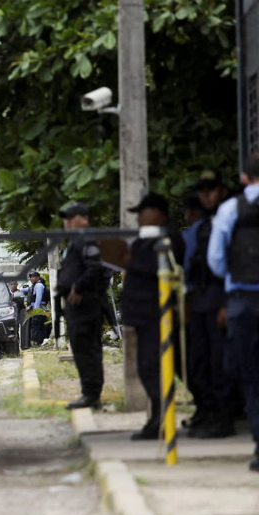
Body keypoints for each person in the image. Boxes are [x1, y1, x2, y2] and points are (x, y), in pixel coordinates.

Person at [208, 154, 259, 473]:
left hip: (244, 300)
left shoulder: (230, 209)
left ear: (243, 178)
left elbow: (215, 259)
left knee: (253, 377)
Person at [120, 194, 185, 440]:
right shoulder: (146, 238)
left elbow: (164, 269)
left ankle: (162, 420)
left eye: (143, 212)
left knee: (153, 367)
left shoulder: (167, 237)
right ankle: (157, 418)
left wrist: (131, 263)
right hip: (142, 314)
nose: (139, 217)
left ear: (158, 213)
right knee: (149, 368)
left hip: (157, 315)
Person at [183, 172, 237, 439]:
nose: (206, 196)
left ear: (222, 192)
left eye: (210, 190)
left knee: (220, 364)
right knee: (199, 362)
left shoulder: (232, 220)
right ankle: (208, 413)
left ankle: (224, 419)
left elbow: (234, 266)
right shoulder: (203, 227)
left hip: (220, 299)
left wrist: (227, 303)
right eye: (202, 191)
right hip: (202, 301)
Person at [57, 202, 106, 410]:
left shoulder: (87, 238)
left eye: (72, 217)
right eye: (65, 218)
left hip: (86, 305)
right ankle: (89, 393)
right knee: (81, 349)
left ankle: (91, 394)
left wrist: (78, 287)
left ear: (84, 219)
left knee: (87, 350)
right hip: (76, 307)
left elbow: (96, 267)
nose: (67, 222)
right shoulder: (76, 241)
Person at [26, 271, 50, 347]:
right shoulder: (35, 285)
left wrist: (36, 309)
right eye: (31, 277)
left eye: (33, 277)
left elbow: (38, 298)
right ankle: (39, 342)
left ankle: (37, 342)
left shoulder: (38, 285)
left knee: (36, 325)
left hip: (39, 308)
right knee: (38, 325)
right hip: (39, 308)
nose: (31, 278)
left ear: (38, 277)